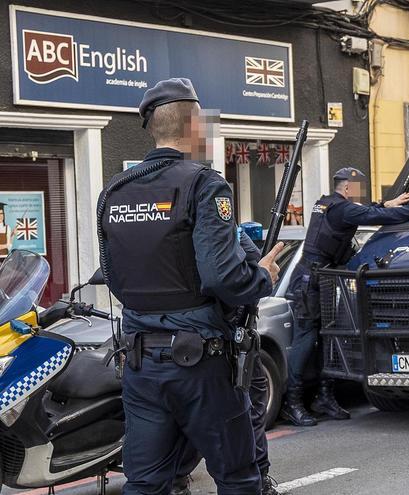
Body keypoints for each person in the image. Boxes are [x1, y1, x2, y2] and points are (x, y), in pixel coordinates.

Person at [98, 78, 284, 494]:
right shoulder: (204, 183)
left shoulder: (114, 191)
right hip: (202, 364)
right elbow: (222, 277)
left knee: (146, 483)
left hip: (141, 362)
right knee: (238, 478)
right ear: (195, 124)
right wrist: (262, 278)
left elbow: (112, 274)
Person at [281, 168, 409, 426]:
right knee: (306, 340)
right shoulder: (344, 209)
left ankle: (324, 397)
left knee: (327, 338)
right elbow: (376, 216)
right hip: (310, 281)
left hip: (320, 278)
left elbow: (366, 212)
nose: (359, 194)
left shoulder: (326, 203)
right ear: (347, 188)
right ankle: (293, 403)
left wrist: (382, 204)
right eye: (357, 189)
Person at [172, 230, 278, 495]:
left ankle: (177, 480)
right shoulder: (226, 232)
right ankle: (258, 478)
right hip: (224, 339)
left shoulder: (172, 233)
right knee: (244, 409)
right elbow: (254, 279)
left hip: (192, 342)